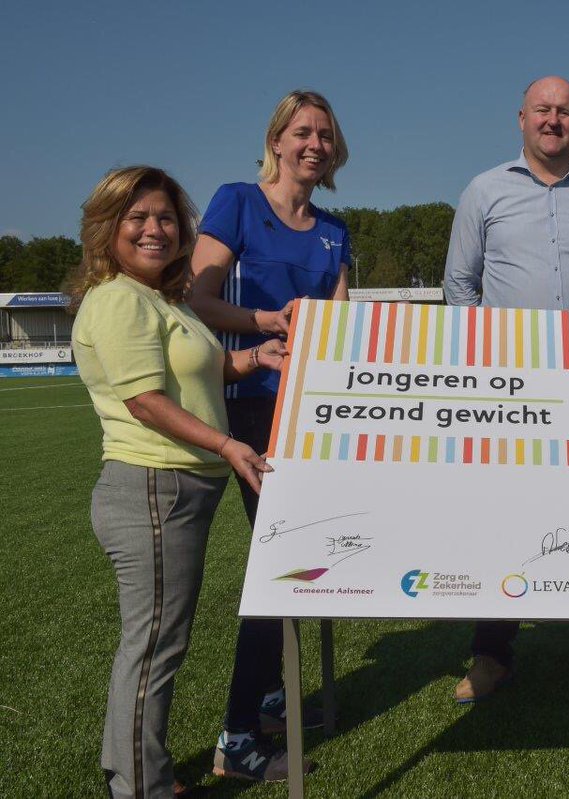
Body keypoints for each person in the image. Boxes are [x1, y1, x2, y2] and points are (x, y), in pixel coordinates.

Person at [70, 166, 286, 798]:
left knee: (158, 643)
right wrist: (227, 443)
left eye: (165, 218)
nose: (155, 230)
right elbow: (145, 400)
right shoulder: (117, 298)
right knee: (153, 649)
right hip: (152, 489)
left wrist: (253, 357)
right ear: (107, 228)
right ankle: (138, 787)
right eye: (137, 219)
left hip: (173, 492)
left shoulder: (160, 299)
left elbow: (203, 370)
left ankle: (139, 777)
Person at [443, 75, 569, 702]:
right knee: (502, 517)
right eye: (542, 110)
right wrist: (489, 362)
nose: (553, 120)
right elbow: (460, 286)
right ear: (521, 118)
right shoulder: (484, 190)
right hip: (509, 389)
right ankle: (491, 653)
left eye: (566, 111)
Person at [189, 89, 351, 781]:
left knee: (305, 558)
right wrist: (268, 325)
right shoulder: (235, 200)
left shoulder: (336, 229)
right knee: (280, 567)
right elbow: (195, 297)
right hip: (251, 406)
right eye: (302, 132)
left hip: (312, 415)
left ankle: (274, 697)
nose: (314, 144)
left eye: (325, 135)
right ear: (277, 140)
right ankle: (236, 737)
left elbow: (341, 327)